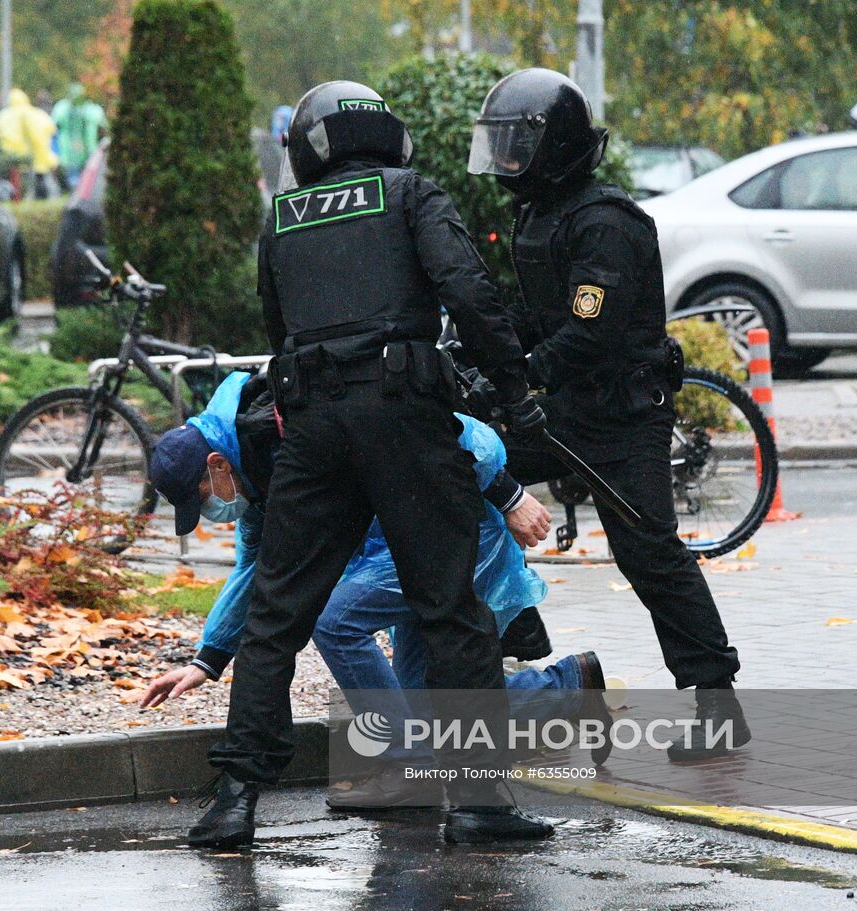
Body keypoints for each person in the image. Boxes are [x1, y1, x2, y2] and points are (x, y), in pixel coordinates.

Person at [188, 81, 553, 849]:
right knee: (450, 609)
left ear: (309, 145)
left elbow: (278, 332)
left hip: (314, 430)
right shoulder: (410, 192)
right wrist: (517, 394)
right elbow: (468, 292)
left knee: (277, 618)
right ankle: (481, 802)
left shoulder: (282, 218)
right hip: (406, 420)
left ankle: (233, 799)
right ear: (386, 133)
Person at [142, 372, 611, 809]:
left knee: (335, 621)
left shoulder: (285, 425)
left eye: (202, 497)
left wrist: (507, 494)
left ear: (217, 464)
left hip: (450, 525)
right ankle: (570, 686)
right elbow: (254, 569)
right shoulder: (254, 478)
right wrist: (208, 659)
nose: (209, 512)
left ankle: (407, 768)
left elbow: (435, 427)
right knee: (424, 701)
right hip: (401, 539)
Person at [466, 69, 748, 763]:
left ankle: (717, 700)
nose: (504, 162)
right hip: (567, 413)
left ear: (551, 146)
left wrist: (522, 373)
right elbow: (537, 318)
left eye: (514, 147)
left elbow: (588, 332)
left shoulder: (606, 224)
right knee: (466, 471)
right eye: (496, 147)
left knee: (648, 550)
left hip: (624, 418)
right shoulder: (537, 215)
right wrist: (481, 355)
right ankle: (518, 632)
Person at [0, 88, 60, 199]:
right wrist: (51, 160)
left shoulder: (2, 116)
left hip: (8, 160)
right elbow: (47, 134)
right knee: (41, 187)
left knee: (16, 190)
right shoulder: (36, 114)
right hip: (34, 159)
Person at [52, 83, 108, 188]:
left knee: (80, 174)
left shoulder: (92, 110)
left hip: (82, 150)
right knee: (79, 174)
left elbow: (53, 129)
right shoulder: (92, 110)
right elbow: (103, 130)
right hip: (72, 150)